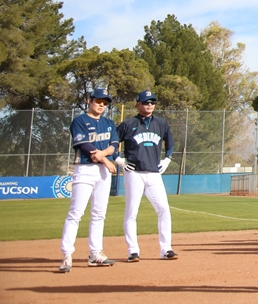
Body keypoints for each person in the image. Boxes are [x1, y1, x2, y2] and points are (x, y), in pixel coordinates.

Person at [59, 88, 119, 272]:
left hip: (102, 172)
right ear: (89, 101)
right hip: (84, 168)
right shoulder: (80, 121)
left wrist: (103, 155)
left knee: (99, 213)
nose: (101, 105)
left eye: (105, 102)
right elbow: (83, 144)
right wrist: (105, 159)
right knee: (76, 213)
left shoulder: (109, 123)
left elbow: (115, 145)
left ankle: (95, 254)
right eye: (98, 101)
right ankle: (67, 255)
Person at [116, 89, 177, 262]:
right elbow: (112, 144)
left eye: (152, 102)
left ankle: (166, 249)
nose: (149, 105)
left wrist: (167, 160)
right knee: (131, 212)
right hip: (134, 173)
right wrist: (119, 160)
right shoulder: (128, 124)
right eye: (146, 102)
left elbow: (170, 144)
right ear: (138, 104)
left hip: (154, 174)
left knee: (164, 209)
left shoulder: (161, 124)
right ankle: (132, 250)